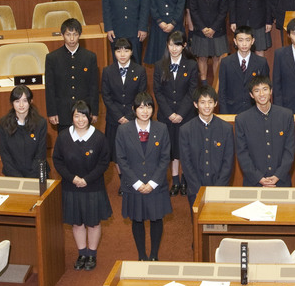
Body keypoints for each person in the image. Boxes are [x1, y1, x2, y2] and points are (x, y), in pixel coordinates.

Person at [52, 100, 111, 270]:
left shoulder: (99, 137)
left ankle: (91, 255)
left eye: (84, 116)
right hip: (71, 187)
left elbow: (104, 163)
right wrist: (73, 178)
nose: (80, 120)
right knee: (77, 222)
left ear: (90, 117)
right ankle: (82, 253)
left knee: (93, 222)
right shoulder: (63, 136)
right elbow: (57, 160)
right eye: (76, 116)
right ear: (72, 117)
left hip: (93, 187)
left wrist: (86, 179)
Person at [116, 92, 172, 261]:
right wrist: (137, 183)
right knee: (137, 220)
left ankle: (154, 254)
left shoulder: (161, 128)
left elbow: (165, 158)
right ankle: (141, 255)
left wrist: (153, 183)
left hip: (156, 185)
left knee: (156, 219)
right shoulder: (124, 130)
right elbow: (121, 159)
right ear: (134, 109)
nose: (145, 111)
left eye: (148, 106)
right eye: (141, 107)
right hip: (134, 186)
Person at [153, 30, 199, 195]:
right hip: (166, 115)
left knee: (185, 149)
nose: (174, 48)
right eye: (171, 44)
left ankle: (185, 179)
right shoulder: (160, 65)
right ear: (167, 45)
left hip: (186, 115)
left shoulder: (192, 65)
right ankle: (175, 180)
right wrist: (169, 113)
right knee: (170, 149)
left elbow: (193, 91)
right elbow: (157, 92)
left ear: (184, 46)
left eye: (178, 45)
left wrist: (180, 113)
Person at [100, 37, 148, 187]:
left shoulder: (140, 70)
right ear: (114, 52)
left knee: (134, 151)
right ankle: (123, 181)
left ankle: (133, 179)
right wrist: (119, 116)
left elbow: (141, 96)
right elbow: (106, 97)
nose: (122, 54)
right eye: (118, 50)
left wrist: (129, 116)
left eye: (126, 50)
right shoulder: (108, 71)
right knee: (117, 153)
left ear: (131, 52)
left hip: (134, 118)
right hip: (114, 119)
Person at [234, 75, 295, 187]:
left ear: (271, 91)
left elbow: (289, 150)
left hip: (281, 182)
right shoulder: (242, 119)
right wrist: (259, 178)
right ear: (251, 95)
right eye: (257, 90)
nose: (262, 94)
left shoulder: (286, 115)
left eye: (265, 89)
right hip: (254, 183)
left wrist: (278, 175)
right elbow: (242, 154)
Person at [178, 85, 234, 207]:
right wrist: (198, 189)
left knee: (219, 224)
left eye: (210, 102)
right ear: (195, 104)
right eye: (202, 102)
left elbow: (228, 162)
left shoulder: (226, 129)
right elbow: (186, 163)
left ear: (216, 103)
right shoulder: (185, 130)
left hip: (220, 189)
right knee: (197, 225)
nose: (207, 106)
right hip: (195, 189)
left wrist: (218, 188)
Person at [45, 18, 99, 133]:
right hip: (62, 112)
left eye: (75, 34)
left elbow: (94, 87)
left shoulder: (90, 57)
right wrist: (52, 112)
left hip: (84, 113)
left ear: (80, 35)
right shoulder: (52, 58)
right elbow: (50, 88)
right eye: (68, 34)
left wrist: (94, 112)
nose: (72, 38)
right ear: (62, 35)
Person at [188, 0, 229, 85]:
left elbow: (224, 11)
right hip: (201, 29)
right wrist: (202, 28)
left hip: (217, 29)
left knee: (217, 57)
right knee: (202, 57)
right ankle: (204, 83)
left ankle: (216, 84)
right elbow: (193, 9)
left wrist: (213, 28)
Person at [0, 85, 49, 178]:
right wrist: (17, 178)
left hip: (36, 175)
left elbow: (40, 154)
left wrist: (29, 178)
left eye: (25, 101)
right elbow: (5, 154)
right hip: (13, 175)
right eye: (17, 101)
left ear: (31, 101)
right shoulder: (4, 123)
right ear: (12, 103)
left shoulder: (40, 123)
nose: (21, 105)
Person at [217, 26, 270, 115]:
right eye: (241, 40)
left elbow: (266, 89)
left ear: (252, 41)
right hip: (232, 110)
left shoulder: (261, 62)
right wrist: (224, 113)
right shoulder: (226, 62)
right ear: (235, 41)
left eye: (247, 40)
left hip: (255, 110)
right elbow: (222, 91)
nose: (244, 44)